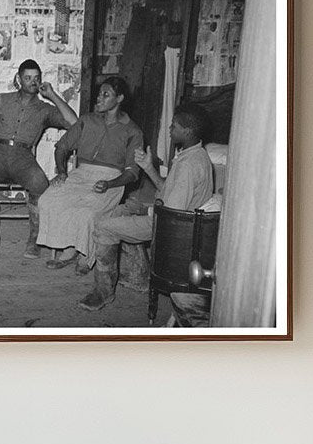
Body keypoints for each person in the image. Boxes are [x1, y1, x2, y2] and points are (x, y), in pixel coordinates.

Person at [80, 103, 214, 313]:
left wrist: (145, 210)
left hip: (172, 229)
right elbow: (166, 189)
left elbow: (171, 214)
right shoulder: (195, 155)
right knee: (118, 211)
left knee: (104, 226)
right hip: (172, 217)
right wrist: (148, 167)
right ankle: (138, 275)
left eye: (174, 126)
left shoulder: (188, 165)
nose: (170, 129)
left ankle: (103, 292)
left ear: (186, 131)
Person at [0, 59, 78, 258]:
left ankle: (34, 240)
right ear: (19, 80)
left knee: (40, 183)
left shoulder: (44, 109)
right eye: (27, 78)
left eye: (36, 78)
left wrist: (52, 95)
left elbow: (74, 123)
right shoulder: (1, 100)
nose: (32, 82)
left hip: (23, 156)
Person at [36, 75, 144, 272]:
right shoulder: (87, 121)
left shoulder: (132, 131)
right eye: (99, 94)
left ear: (119, 99)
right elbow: (61, 147)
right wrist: (62, 172)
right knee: (48, 200)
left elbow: (133, 173)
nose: (99, 98)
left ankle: (86, 255)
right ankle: (69, 248)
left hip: (111, 180)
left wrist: (110, 184)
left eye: (106, 95)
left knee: (87, 213)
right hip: (80, 174)